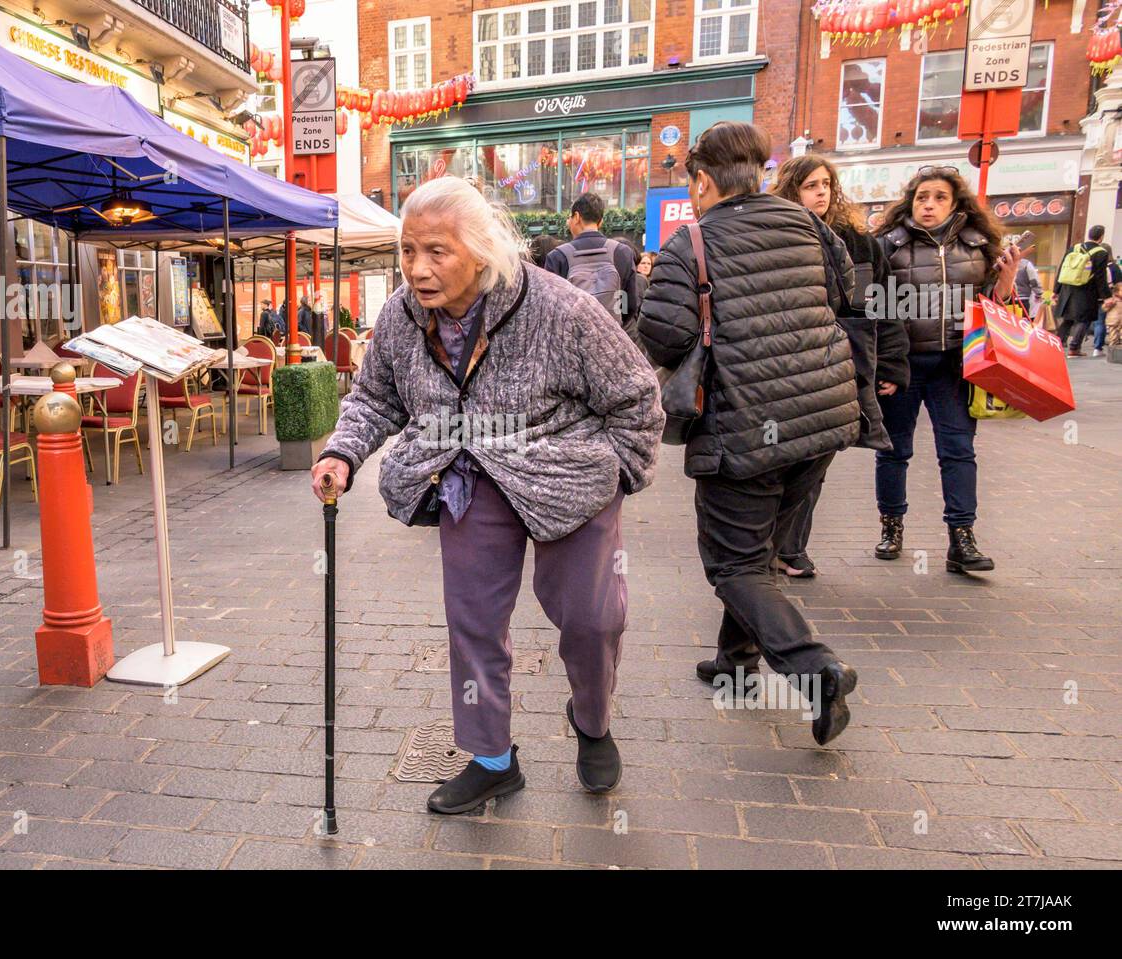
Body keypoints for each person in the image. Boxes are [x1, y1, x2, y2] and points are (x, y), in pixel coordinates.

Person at [311, 177, 664, 813]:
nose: (418, 269)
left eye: (436, 251)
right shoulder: (401, 315)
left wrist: (617, 472)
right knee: (473, 623)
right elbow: (372, 397)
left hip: (569, 477)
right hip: (470, 474)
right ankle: (492, 759)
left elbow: (636, 396)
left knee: (592, 619)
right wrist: (343, 450)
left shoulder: (562, 310)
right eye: (408, 250)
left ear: (482, 249)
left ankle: (593, 719)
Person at [638, 121, 861, 746]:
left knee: (734, 563)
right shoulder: (810, 226)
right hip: (823, 417)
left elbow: (664, 335)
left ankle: (817, 673)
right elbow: (848, 296)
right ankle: (735, 663)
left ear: (703, 181)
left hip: (744, 427)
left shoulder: (694, 244)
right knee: (758, 552)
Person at [874, 166, 1020, 573]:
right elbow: (875, 311)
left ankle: (962, 538)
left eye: (939, 197)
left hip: (955, 365)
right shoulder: (890, 245)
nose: (929, 205)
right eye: (922, 197)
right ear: (911, 201)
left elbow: (995, 306)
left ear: (955, 204)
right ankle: (891, 526)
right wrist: (885, 365)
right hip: (903, 367)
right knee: (894, 450)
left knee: (958, 451)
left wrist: (1005, 283)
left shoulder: (978, 247)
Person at [769, 154, 905, 578]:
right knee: (784, 457)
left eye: (826, 183)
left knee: (820, 454)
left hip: (847, 361)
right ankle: (773, 546)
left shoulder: (859, 241)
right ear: (792, 189)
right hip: (791, 363)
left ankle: (789, 547)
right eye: (811, 185)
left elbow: (882, 306)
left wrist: (892, 364)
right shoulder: (777, 236)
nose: (822, 192)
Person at [544, 192, 641, 335]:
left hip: (572, 342)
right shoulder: (622, 252)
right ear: (600, 221)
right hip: (612, 340)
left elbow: (550, 310)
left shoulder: (557, 257)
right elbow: (630, 305)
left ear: (576, 217)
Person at [1054, 225, 1112, 357]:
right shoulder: (1101, 253)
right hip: (1086, 291)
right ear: (1101, 236)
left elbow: (1062, 269)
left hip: (1067, 289)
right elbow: (1100, 277)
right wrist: (1106, 296)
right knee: (1084, 320)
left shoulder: (1074, 248)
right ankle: (1074, 348)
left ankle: (1056, 344)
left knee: (1067, 319)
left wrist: (1056, 290)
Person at [1013, 254, 1044, 321]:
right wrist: (1039, 294)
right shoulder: (1025, 264)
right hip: (1022, 300)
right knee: (1022, 325)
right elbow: (1034, 281)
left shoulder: (1001, 262)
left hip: (1005, 299)